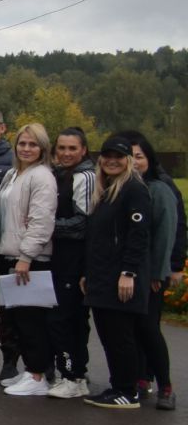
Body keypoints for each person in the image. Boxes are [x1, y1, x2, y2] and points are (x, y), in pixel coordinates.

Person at [80, 136, 153, 410]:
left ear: (128, 160)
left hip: (120, 278)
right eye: (107, 155)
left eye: (119, 156)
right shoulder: (107, 190)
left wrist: (129, 273)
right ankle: (118, 386)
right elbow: (99, 239)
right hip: (101, 276)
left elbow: (138, 235)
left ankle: (128, 390)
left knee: (121, 337)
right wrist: (89, 273)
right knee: (109, 335)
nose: (112, 160)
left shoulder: (134, 190)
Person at [0, 123, 60, 396]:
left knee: (32, 321)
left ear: (43, 148)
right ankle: (30, 370)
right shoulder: (13, 174)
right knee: (18, 319)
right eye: (22, 143)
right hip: (9, 254)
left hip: (30, 260)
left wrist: (27, 256)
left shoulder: (42, 176)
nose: (27, 148)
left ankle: (37, 376)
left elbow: (41, 221)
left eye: (33, 144)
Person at [122, 133, 182, 410]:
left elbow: (166, 235)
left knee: (148, 329)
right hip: (125, 270)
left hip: (150, 274)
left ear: (149, 159)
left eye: (139, 156)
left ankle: (165, 386)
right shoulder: (119, 188)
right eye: (129, 156)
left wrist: (160, 273)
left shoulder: (159, 189)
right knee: (130, 330)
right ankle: (139, 379)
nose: (134, 162)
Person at [49, 128, 96, 390]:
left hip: (75, 260)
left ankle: (74, 375)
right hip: (58, 258)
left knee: (68, 318)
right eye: (62, 148)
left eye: (72, 148)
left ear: (84, 150)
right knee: (60, 318)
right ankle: (68, 372)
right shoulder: (59, 175)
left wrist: (45, 227)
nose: (66, 153)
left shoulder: (85, 176)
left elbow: (83, 224)